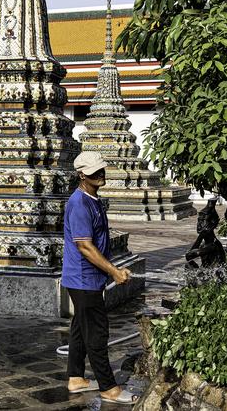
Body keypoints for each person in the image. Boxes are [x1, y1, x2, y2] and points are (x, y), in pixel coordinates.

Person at [62, 151, 137, 404]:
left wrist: (113, 267)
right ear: (82, 175)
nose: (100, 174)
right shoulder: (79, 204)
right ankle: (108, 387)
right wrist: (113, 271)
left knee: (80, 330)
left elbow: (97, 245)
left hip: (87, 278)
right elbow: (84, 245)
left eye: (102, 169)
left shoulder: (92, 199)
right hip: (83, 279)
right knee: (96, 333)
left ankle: (76, 378)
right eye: (94, 172)